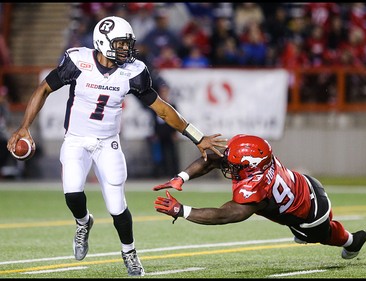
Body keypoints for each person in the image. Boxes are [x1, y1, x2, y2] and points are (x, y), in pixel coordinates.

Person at [7, 16, 227, 277]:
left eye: (127, 44)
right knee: (72, 193)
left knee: (116, 207)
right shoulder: (78, 62)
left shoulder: (133, 71)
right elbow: (44, 89)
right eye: (121, 44)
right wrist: (24, 126)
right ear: (102, 42)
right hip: (76, 139)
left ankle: (129, 252)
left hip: (107, 143)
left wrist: (197, 136)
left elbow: (163, 110)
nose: (126, 49)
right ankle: (83, 222)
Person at [153, 134, 366, 261]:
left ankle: (352, 241)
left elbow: (226, 215)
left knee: (321, 235)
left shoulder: (257, 185)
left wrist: (181, 211)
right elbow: (212, 160)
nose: (229, 167)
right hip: (306, 183)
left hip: (312, 215)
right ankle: (304, 232)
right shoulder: (260, 159)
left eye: (236, 166)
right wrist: (181, 178)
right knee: (298, 229)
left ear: (251, 166)